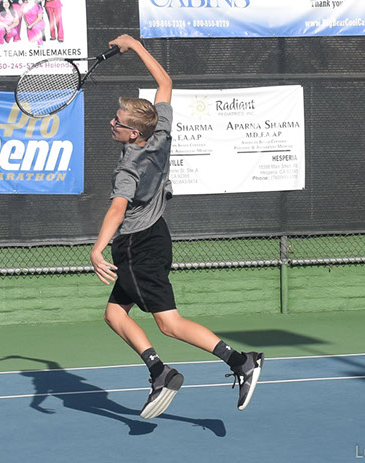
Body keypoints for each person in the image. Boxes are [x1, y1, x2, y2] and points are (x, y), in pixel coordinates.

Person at [90, 34, 264, 420]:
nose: (111, 123)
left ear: (133, 133)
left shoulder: (128, 169)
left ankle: (240, 361)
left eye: (117, 122)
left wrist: (97, 248)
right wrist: (134, 46)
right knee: (115, 314)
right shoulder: (161, 134)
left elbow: (117, 210)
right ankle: (159, 371)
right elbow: (165, 83)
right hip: (157, 236)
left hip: (136, 247)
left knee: (169, 324)